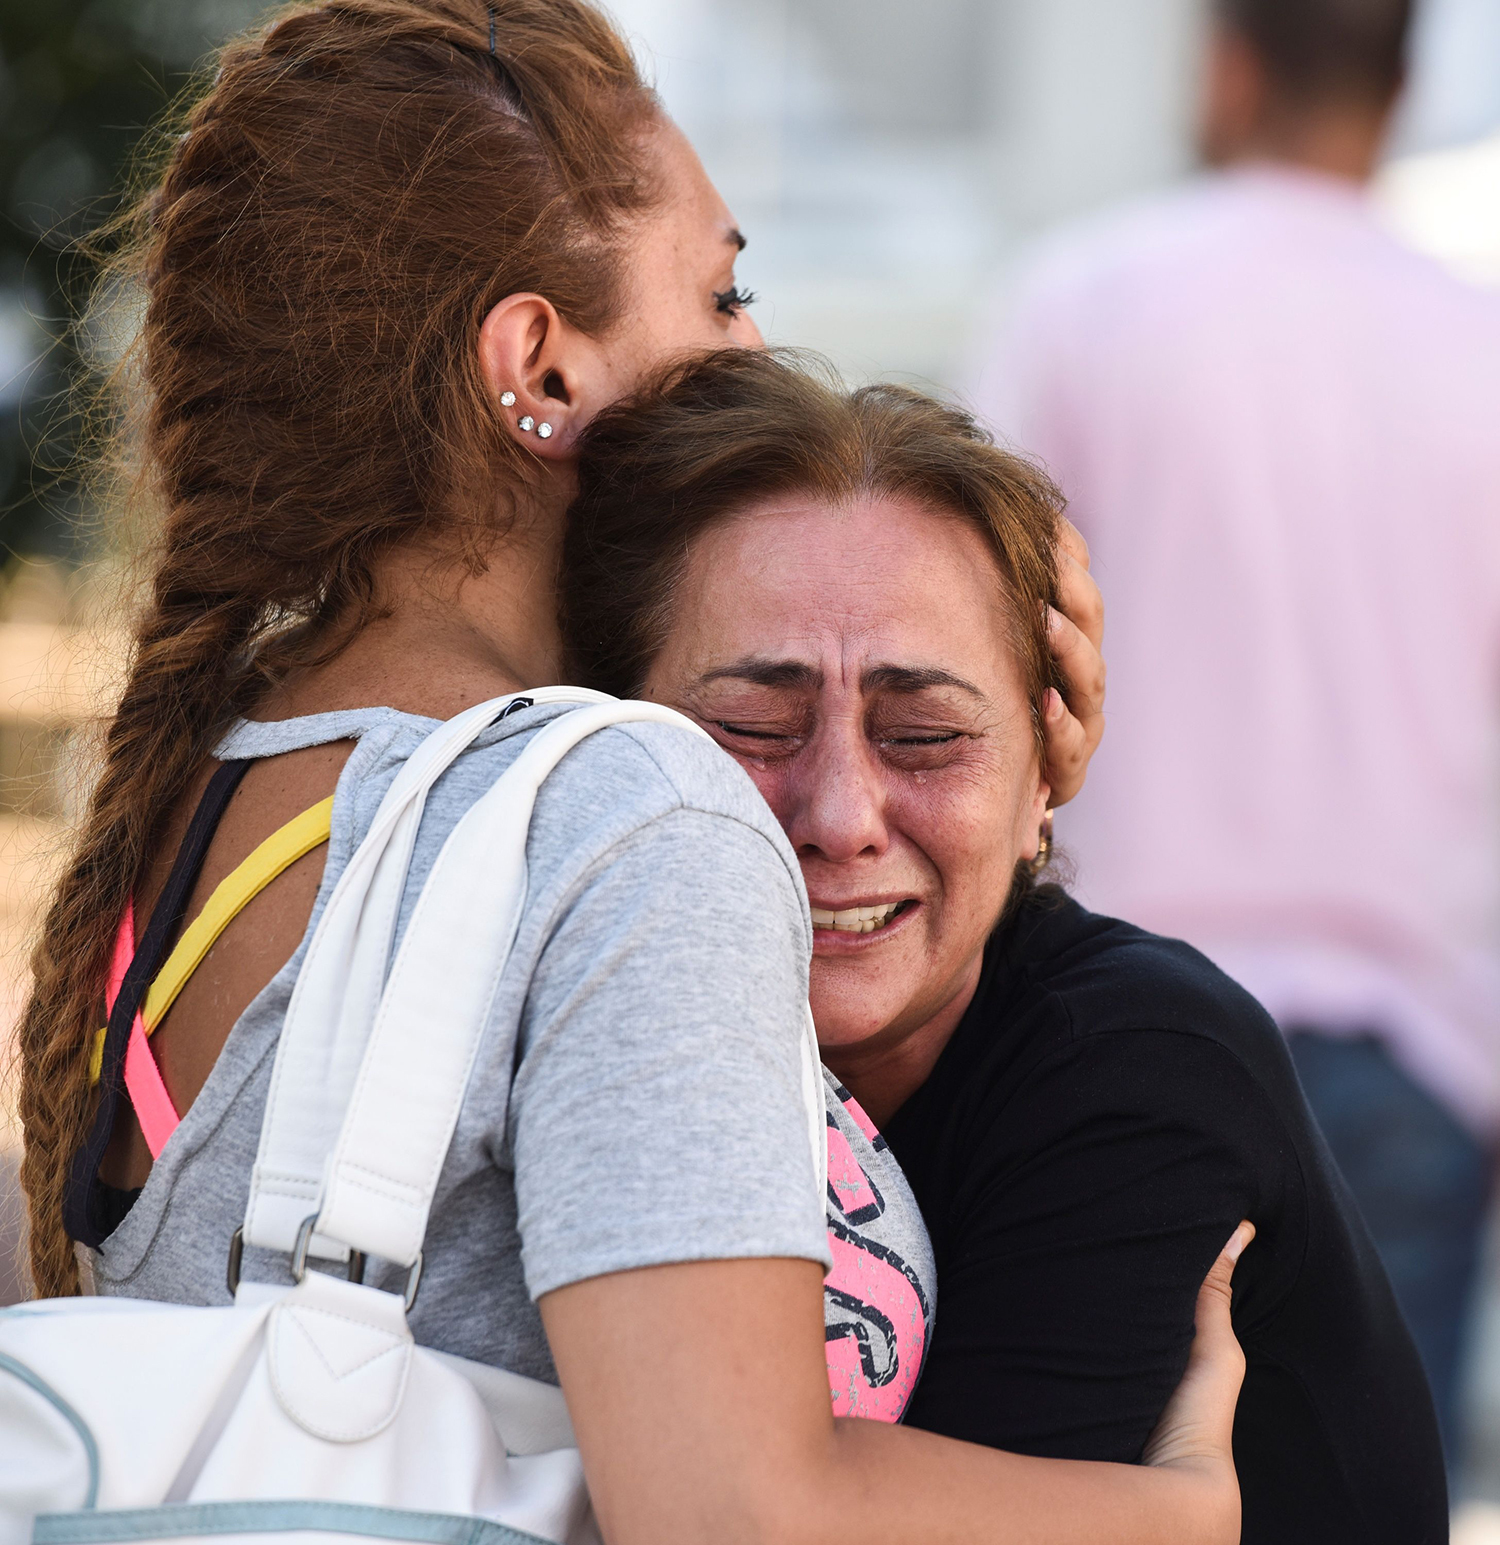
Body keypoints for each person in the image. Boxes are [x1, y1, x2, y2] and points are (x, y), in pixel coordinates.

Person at [14, 3, 1247, 1542]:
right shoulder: (624, 814)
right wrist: (1183, 1512)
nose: (758, 353)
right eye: (723, 293)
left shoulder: (220, 790)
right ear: (537, 364)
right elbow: (734, 1511)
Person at [560, 345, 1449, 1545]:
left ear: (1050, 765)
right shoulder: (593, 1027)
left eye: (924, 736)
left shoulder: (1139, 1071)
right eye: (753, 726)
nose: (839, 817)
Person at [970, 0, 1500, 1471]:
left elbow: (968, 654)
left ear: (1229, 65)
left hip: (1110, 1031)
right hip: (1416, 1054)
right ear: (1400, 89)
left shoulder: (1081, 301)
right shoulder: (1486, 350)